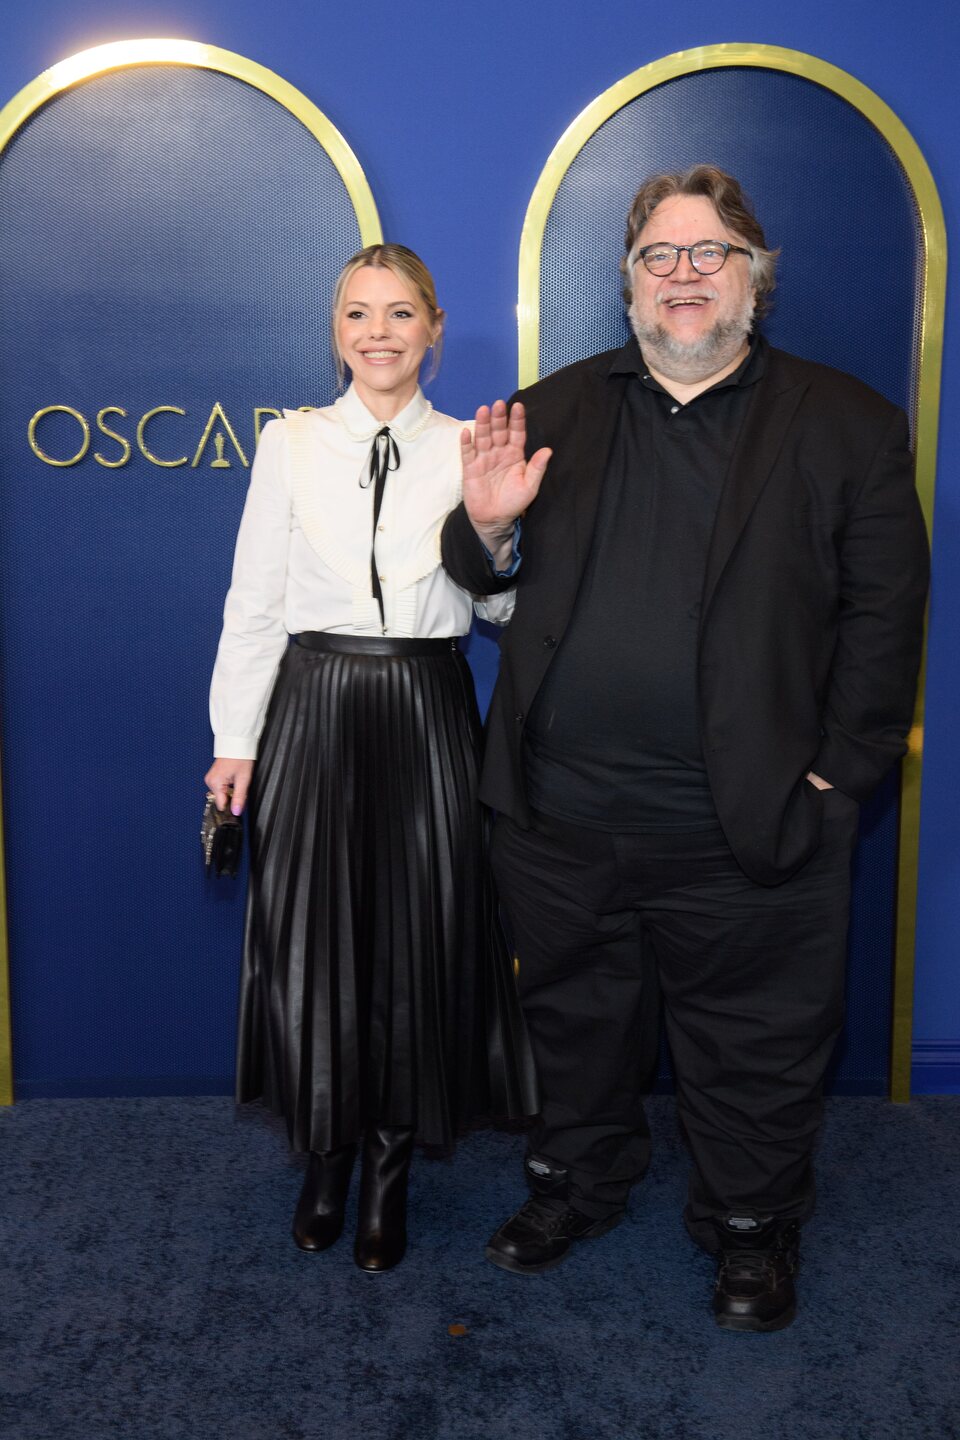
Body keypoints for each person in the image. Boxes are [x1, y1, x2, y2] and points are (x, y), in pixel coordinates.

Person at [440, 165, 929, 1330]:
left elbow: (885, 616)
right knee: (573, 1024)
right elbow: (482, 580)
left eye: (712, 252)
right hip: (561, 821)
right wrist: (488, 530)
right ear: (627, 283)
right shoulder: (549, 412)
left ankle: (752, 1232)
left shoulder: (849, 423)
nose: (685, 273)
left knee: (756, 1047)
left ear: (757, 276)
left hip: (751, 825)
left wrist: (834, 778)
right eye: (661, 254)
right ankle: (575, 1186)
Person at [206, 243, 535, 1273]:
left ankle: (391, 1163)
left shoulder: (471, 447)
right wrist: (234, 739)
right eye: (360, 314)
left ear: (435, 329)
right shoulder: (290, 444)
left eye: (401, 314)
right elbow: (255, 603)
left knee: (418, 939)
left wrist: (498, 531)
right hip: (313, 703)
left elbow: (503, 606)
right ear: (336, 331)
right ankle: (328, 1156)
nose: (379, 333)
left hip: (428, 704)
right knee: (315, 938)